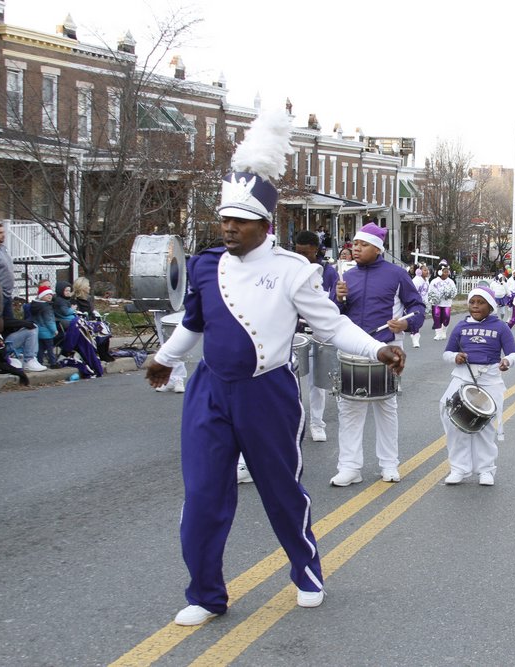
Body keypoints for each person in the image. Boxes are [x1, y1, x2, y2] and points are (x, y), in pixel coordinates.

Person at [145, 109, 407, 627]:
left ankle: (306, 569)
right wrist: (165, 358)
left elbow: (331, 328)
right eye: (224, 221)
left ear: (265, 225)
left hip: (267, 393)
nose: (229, 229)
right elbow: (193, 323)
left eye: (239, 222)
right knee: (202, 496)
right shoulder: (203, 264)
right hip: (209, 392)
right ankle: (205, 592)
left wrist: (377, 349)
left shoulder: (294, 271)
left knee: (281, 490)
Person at [332, 222, 426, 487]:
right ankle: (349, 467)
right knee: (349, 409)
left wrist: (406, 323)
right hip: (352, 349)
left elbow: (417, 306)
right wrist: (337, 299)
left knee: (386, 408)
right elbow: (332, 316)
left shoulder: (396, 274)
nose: (355, 249)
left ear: (377, 248)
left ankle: (389, 464)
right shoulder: (346, 276)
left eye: (362, 245)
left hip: (387, 348)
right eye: (355, 245)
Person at [440, 285, 515, 486]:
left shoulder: (501, 327)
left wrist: (507, 362)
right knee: (452, 417)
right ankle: (459, 468)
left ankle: (486, 470)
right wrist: (455, 357)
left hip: (489, 378)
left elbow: (514, 354)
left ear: (490, 306)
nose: (475, 306)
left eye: (480, 302)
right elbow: (447, 353)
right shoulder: (460, 327)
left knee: (484, 426)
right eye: (472, 302)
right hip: (463, 377)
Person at [294, 230, 339, 441]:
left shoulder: (329, 272)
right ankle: (293, 423)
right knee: (290, 380)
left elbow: (333, 302)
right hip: (296, 333)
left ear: (316, 250)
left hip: (320, 334)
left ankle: (317, 423)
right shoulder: (292, 270)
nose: (302, 256)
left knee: (317, 383)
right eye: (298, 251)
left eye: (306, 252)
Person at [29, 285, 59, 367]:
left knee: (40, 348)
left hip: (38, 331)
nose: (50, 296)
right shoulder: (46, 307)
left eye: (50, 294)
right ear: (42, 296)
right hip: (47, 332)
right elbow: (49, 320)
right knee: (50, 348)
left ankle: (39, 361)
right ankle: (53, 363)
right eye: (47, 294)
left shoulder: (34, 305)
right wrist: (54, 330)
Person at [0, 222, 15, 319]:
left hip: (7, 295)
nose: (3, 235)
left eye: (3, 232)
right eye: (0, 233)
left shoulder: (3, 248)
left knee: (9, 325)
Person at [428, 262, 456, 340]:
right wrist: (433, 298)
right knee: (436, 317)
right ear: (440, 272)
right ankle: (438, 333)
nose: (446, 273)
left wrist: (450, 295)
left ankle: (444, 331)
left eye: (447, 272)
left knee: (446, 317)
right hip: (436, 303)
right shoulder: (434, 281)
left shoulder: (450, 281)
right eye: (444, 271)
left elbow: (454, 291)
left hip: (447, 303)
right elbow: (430, 291)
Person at [410, 266, 430, 348]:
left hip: (423, 303)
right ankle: (415, 338)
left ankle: (414, 333)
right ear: (419, 271)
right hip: (415, 303)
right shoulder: (416, 280)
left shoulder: (427, 281)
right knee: (416, 320)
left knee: (420, 320)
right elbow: (412, 291)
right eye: (425, 270)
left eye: (427, 270)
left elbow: (426, 293)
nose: (427, 272)